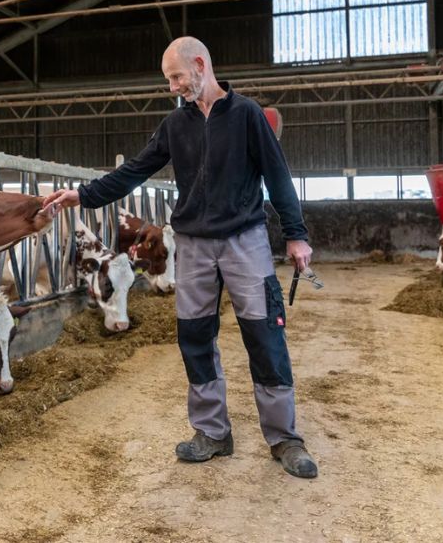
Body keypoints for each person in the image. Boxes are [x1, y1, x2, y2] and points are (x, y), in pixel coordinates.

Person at [42, 36, 318, 479]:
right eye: (168, 80)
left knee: (265, 334)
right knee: (194, 336)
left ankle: (284, 437)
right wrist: (81, 195)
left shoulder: (247, 115)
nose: (172, 87)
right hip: (192, 245)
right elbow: (133, 171)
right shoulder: (176, 125)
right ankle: (212, 432)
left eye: (176, 77)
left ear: (200, 65)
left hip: (245, 240)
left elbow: (278, 175)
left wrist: (296, 235)